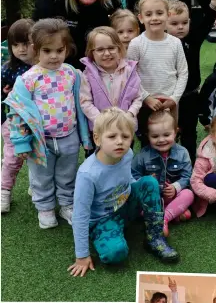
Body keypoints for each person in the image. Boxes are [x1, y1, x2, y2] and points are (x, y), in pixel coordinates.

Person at [68, 108, 179, 277]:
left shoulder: (127, 154)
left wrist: (143, 193)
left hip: (125, 205)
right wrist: (82, 255)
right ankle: (108, 235)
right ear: (97, 139)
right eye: (112, 137)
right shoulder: (88, 174)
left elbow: (128, 180)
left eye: (125, 137)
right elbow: (80, 216)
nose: (119, 142)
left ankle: (154, 237)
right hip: (102, 220)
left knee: (149, 182)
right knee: (116, 253)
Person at [4, 19, 92, 229]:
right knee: (41, 177)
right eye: (47, 50)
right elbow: (16, 113)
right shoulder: (27, 79)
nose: (54, 56)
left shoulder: (71, 73)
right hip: (40, 140)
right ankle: (44, 207)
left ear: (66, 49)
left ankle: (66, 205)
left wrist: (85, 137)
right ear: (35, 49)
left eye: (59, 50)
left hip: (69, 136)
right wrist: (21, 143)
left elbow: (79, 107)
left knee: (67, 174)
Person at [33, 0, 121, 69]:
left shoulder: (111, 2)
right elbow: (35, 36)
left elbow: (122, 37)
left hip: (97, 69)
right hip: (57, 68)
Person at [167, 0, 216, 161]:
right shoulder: (161, 44)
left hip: (190, 95)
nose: (180, 27)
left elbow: (207, 23)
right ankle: (166, 164)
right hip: (168, 97)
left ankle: (189, 165)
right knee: (168, 133)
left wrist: (214, 3)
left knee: (189, 133)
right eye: (174, 24)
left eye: (184, 22)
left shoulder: (193, 39)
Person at [126, 0, 188, 142]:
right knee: (148, 140)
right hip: (145, 103)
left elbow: (183, 73)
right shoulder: (136, 44)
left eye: (159, 13)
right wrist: (146, 97)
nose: (154, 18)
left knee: (169, 139)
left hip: (171, 103)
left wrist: (174, 99)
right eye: (148, 14)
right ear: (140, 18)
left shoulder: (175, 43)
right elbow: (130, 75)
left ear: (168, 15)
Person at [132, 111, 194, 237]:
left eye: (166, 135)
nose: (161, 140)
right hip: (152, 199)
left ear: (175, 132)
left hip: (172, 196)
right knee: (137, 207)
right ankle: (175, 213)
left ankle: (163, 219)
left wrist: (176, 188)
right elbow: (133, 176)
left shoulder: (182, 153)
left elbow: (187, 176)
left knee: (188, 194)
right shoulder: (142, 156)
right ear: (148, 136)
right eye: (155, 136)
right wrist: (146, 180)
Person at [79, 26, 144, 133]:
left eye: (111, 48)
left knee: (126, 150)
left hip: (125, 126)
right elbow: (85, 102)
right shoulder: (87, 75)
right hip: (101, 128)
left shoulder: (129, 71)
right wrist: (102, 121)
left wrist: (129, 114)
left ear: (119, 48)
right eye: (100, 49)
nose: (107, 53)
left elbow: (138, 97)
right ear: (92, 53)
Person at [1, 19, 35, 213]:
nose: (21, 49)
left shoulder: (45, 67)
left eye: (26, 44)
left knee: (36, 157)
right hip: (14, 123)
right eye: (15, 45)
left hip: (39, 124)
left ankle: (36, 186)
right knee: (12, 159)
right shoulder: (8, 69)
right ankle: (4, 191)